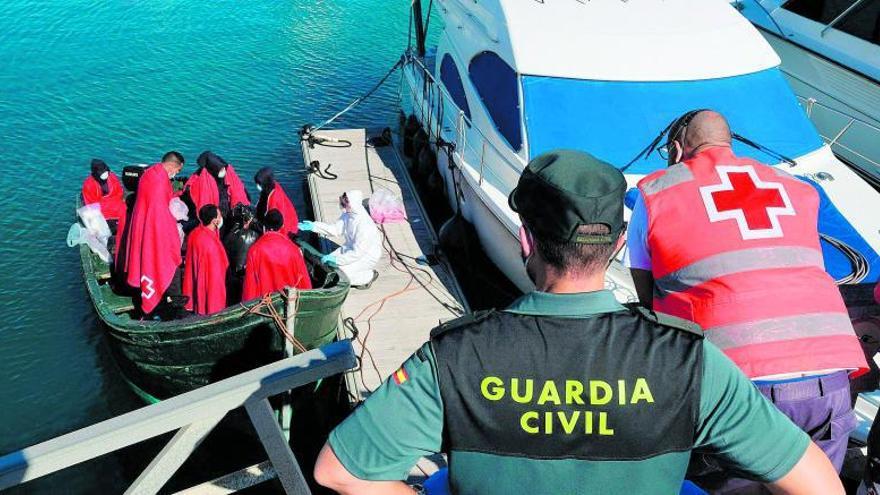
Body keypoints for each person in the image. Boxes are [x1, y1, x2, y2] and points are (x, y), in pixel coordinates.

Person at [314, 150, 844, 495]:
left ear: (526, 239)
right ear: (616, 246)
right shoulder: (688, 362)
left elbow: (337, 471)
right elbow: (819, 486)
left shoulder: (456, 356)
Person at [627, 110, 867, 489]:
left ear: (676, 150)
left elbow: (647, 298)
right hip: (831, 376)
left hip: (739, 384)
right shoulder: (794, 187)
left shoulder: (656, 191)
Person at [122, 151, 186, 317]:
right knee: (170, 263)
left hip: (142, 223)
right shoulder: (159, 183)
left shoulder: (150, 173)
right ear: (173, 165)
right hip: (154, 230)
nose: (176, 175)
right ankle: (171, 307)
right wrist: (174, 240)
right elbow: (161, 217)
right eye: (178, 171)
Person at [298, 189, 380, 288]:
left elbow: (358, 253)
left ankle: (368, 277)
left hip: (367, 255)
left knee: (342, 276)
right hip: (350, 248)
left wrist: (337, 260)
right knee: (329, 266)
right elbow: (335, 229)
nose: (343, 204)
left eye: (346, 202)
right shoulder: (349, 214)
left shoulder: (364, 226)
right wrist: (313, 226)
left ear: (354, 203)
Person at [242, 209, 312, 301]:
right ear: (282, 225)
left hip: (266, 305)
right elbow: (304, 281)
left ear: (264, 226)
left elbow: (250, 285)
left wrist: (248, 307)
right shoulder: (293, 249)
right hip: (290, 302)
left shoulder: (254, 250)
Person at [182, 204, 229, 316]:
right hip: (210, 291)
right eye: (219, 216)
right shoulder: (211, 244)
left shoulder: (194, 234)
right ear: (214, 221)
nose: (220, 217)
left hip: (196, 285)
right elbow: (218, 272)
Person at [183, 151, 249, 223]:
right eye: (220, 169)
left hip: (225, 207)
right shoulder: (202, 178)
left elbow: (238, 190)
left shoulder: (227, 170)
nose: (222, 171)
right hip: (215, 210)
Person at [254, 166, 299, 238]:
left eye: (259, 184)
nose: (257, 186)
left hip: (286, 229)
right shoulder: (270, 186)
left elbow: (276, 224)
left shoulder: (274, 200)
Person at [81, 158, 127, 229]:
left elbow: (119, 192)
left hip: (116, 205)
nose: (105, 174)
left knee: (124, 212)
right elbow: (91, 204)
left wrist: (112, 202)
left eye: (106, 171)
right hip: (101, 209)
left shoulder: (112, 177)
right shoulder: (89, 184)